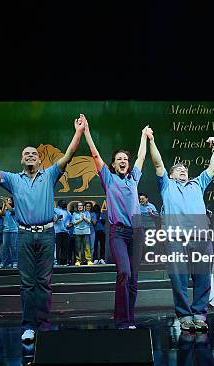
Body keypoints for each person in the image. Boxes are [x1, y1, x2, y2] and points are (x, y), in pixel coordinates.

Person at [0, 114, 84, 342]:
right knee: (27, 283)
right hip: (25, 235)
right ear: (21, 160)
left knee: (44, 282)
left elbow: (69, 155)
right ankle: (28, 326)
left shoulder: (49, 175)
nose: (30, 155)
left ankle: (44, 326)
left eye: (34, 154)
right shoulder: (13, 179)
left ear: (40, 160)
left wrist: (78, 132)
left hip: (47, 235)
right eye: (26, 154)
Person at [148, 128, 214, 332]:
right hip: (176, 239)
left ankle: (199, 313)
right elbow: (157, 163)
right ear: (170, 174)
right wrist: (152, 140)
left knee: (203, 278)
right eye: (178, 168)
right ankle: (184, 315)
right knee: (178, 279)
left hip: (201, 239)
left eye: (184, 168)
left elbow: (213, 167)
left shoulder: (197, 183)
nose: (182, 170)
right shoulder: (166, 185)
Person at [84, 118, 148, 329]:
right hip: (118, 233)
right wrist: (86, 131)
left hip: (137, 233)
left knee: (134, 278)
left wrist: (143, 136)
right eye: (119, 159)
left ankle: (130, 319)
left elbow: (141, 156)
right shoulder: (108, 178)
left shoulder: (133, 178)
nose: (123, 161)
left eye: (125, 159)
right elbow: (94, 154)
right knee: (124, 273)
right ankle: (121, 319)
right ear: (113, 164)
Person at [72, 201, 92, 266]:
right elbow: (74, 222)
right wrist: (81, 219)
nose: (80, 207)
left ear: (83, 207)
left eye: (81, 205)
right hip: (77, 232)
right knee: (78, 247)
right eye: (78, 206)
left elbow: (89, 222)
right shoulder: (74, 214)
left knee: (87, 247)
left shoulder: (87, 213)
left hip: (86, 232)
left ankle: (88, 260)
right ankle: (78, 260)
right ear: (77, 207)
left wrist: (84, 218)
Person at [1, 197, 18, 269]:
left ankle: (15, 262)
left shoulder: (15, 209)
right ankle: (5, 262)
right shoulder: (6, 209)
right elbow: (1, 214)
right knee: (5, 247)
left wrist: (5, 202)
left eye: (10, 201)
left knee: (13, 247)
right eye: (8, 201)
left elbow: (11, 210)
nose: (8, 201)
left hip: (14, 230)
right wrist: (4, 205)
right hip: (6, 230)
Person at [53, 199, 70, 265]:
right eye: (63, 202)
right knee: (57, 248)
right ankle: (57, 261)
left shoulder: (67, 212)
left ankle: (64, 262)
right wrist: (57, 218)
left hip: (66, 232)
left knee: (65, 248)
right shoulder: (55, 210)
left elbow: (70, 222)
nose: (65, 203)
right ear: (59, 204)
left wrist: (71, 225)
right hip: (57, 231)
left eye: (65, 202)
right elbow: (53, 220)